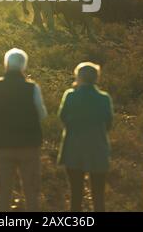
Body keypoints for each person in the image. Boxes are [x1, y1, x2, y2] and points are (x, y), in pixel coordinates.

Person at [0, 48, 47, 212]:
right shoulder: (32, 88)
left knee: (4, 191)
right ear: (23, 66)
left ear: (6, 65)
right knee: (31, 190)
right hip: (29, 145)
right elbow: (42, 114)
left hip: (3, 145)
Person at [58, 62, 113, 212]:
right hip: (97, 148)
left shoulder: (70, 95)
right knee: (98, 196)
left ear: (78, 77)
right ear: (96, 78)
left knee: (76, 194)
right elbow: (108, 123)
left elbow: (62, 118)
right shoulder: (104, 98)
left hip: (73, 148)